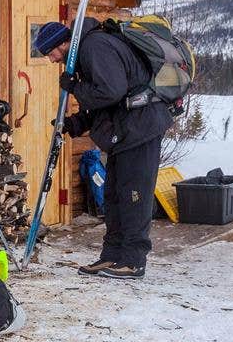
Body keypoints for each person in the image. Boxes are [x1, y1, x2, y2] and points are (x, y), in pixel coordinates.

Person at [32, 16, 172, 279]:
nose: (51, 60)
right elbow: (106, 102)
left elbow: (111, 92)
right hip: (125, 130)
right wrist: (74, 123)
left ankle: (133, 260)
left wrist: (75, 87)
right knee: (114, 195)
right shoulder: (87, 50)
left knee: (133, 195)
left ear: (61, 43)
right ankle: (111, 256)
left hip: (141, 128)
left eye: (50, 53)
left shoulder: (94, 46)